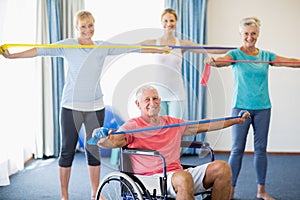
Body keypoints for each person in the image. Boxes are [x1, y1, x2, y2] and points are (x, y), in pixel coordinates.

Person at [1, 10, 169, 200]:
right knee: (67, 151)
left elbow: (131, 48)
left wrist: (158, 49)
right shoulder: (68, 45)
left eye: (90, 25)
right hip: (70, 107)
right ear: (77, 27)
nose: (87, 30)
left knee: (93, 151)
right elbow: (40, 50)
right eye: (83, 26)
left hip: (95, 107)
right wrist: (13, 56)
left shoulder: (102, 47)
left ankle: (95, 193)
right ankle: (64, 196)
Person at [96, 85, 250, 200]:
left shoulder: (172, 123)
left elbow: (204, 125)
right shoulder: (132, 125)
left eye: (155, 98)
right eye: (147, 100)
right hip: (151, 178)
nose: (152, 102)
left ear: (160, 101)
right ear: (138, 104)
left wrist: (236, 120)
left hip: (177, 174)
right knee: (183, 178)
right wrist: (102, 138)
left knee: (222, 168)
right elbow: (114, 141)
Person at [205, 17, 300, 200]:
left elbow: (288, 61)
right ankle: (229, 191)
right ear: (241, 34)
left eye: (253, 33)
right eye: (246, 34)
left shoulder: (266, 56)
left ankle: (261, 190)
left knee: (260, 149)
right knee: (237, 150)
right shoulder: (235, 55)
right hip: (240, 107)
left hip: (263, 107)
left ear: (258, 34)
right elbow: (222, 62)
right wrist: (213, 61)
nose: (250, 37)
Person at [139, 8, 229, 118]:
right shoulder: (154, 43)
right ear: (161, 22)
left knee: (176, 129)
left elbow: (206, 48)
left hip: (176, 93)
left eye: (171, 21)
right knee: (161, 131)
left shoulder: (181, 44)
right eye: (166, 21)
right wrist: (113, 48)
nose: (169, 24)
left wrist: (233, 49)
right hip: (158, 94)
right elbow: (133, 47)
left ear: (176, 22)